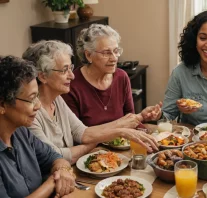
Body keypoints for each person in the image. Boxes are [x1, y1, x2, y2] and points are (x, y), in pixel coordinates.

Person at [23, 40, 158, 164]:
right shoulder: (30, 114)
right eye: (65, 70)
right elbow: (57, 156)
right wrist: (103, 138)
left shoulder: (57, 99)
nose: (72, 75)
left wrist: (121, 131)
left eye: (71, 68)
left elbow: (82, 133)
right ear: (43, 76)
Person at [0, 56, 75, 198]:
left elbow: (56, 158)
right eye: (31, 98)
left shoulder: (22, 133)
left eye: (38, 97)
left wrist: (63, 170)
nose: (38, 105)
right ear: (2, 105)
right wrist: (52, 182)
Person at [61, 24, 161, 127]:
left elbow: (130, 121)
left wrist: (141, 117)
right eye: (106, 53)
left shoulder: (122, 77)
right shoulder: (72, 85)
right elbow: (78, 135)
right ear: (88, 55)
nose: (114, 58)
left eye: (116, 51)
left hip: (123, 141)